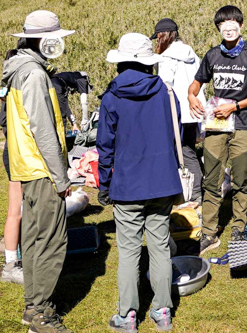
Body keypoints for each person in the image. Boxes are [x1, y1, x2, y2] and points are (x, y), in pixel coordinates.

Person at [97, 33, 183, 332]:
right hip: (162, 182)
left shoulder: (111, 97)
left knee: (129, 251)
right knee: (160, 247)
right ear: (149, 63)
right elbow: (177, 135)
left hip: (127, 185)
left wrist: (104, 184)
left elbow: (104, 146)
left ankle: (127, 316)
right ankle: (163, 312)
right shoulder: (167, 93)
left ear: (120, 62)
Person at [1, 10, 75, 333]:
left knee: (32, 241)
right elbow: (43, 130)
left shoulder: (19, 69)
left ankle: (32, 306)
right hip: (42, 170)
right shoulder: (33, 74)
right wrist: (61, 178)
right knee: (51, 242)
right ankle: (43, 315)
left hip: (27, 168)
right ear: (42, 41)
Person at [188, 5, 247, 255]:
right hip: (216, 126)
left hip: (244, 125)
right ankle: (209, 234)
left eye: (233, 21)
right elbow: (195, 85)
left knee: (240, 180)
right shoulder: (212, 55)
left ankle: (239, 228)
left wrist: (234, 106)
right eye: (222, 23)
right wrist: (191, 96)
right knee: (211, 180)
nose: (228, 26)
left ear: (241, 25)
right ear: (218, 28)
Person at [152, 18, 205, 204]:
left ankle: (193, 193)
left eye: (157, 38)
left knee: (182, 152)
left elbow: (165, 85)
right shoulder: (192, 54)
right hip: (194, 108)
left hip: (176, 112)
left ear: (163, 36)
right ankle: (193, 190)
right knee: (189, 150)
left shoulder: (166, 57)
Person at [0, 49, 24, 285]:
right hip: (18, 154)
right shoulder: (17, 92)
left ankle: (14, 258)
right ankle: (11, 264)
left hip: (14, 151)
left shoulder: (6, 90)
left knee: (17, 210)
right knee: (16, 211)